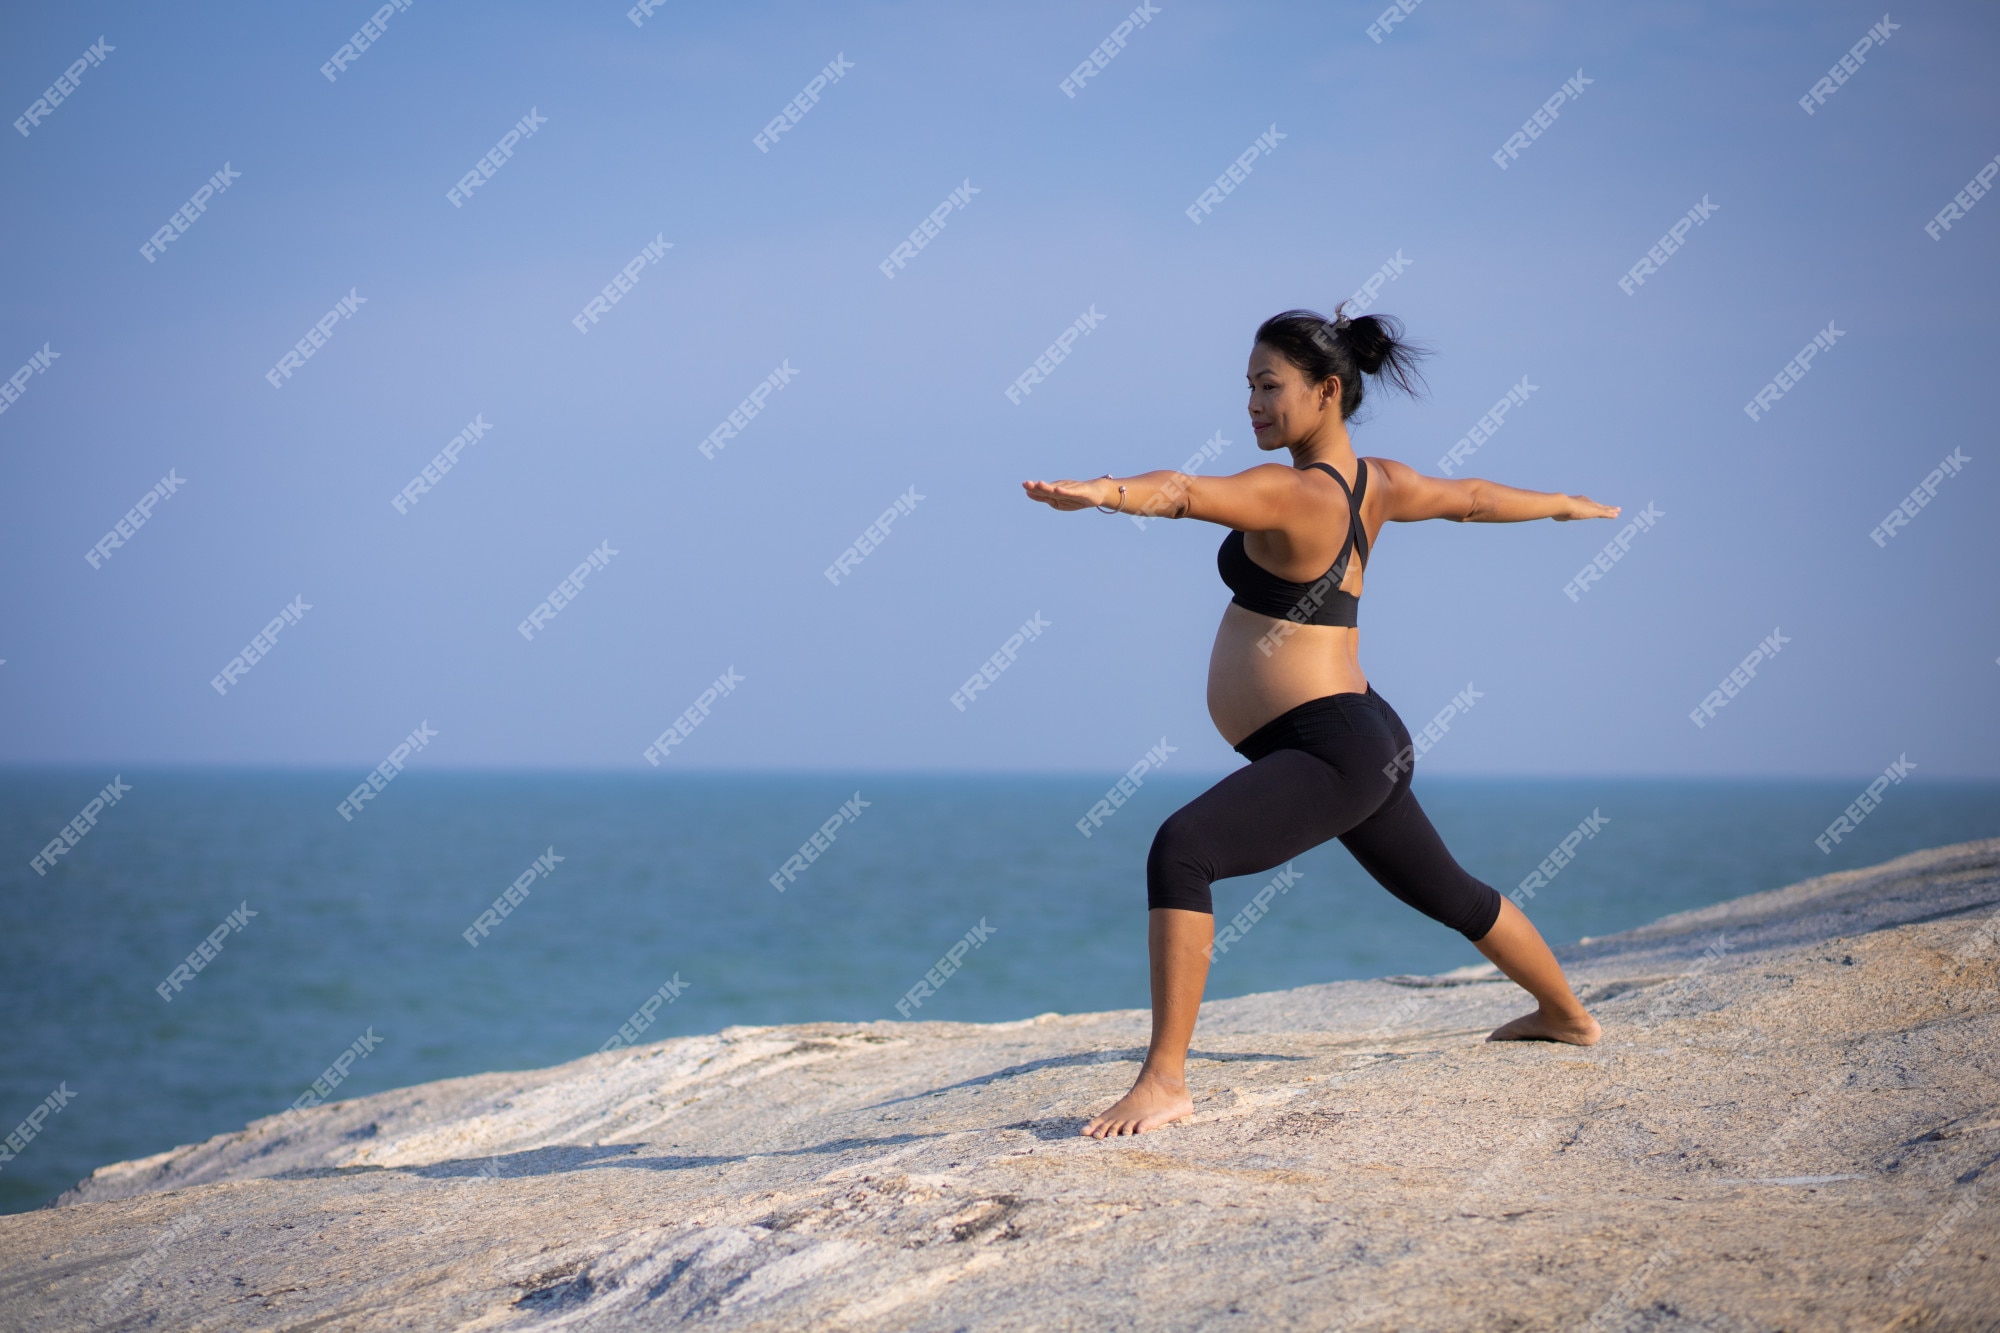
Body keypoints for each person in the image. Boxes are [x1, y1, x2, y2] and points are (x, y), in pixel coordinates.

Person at [1022, 306, 1615, 1139]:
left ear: (1327, 390)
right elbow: (1473, 498)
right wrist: (1559, 503)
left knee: (1181, 850)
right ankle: (1566, 1014)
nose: (1254, 405)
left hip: (1332, 744)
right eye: (1249, 389)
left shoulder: (1292, 492)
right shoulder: (1380, 481)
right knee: (1450, 892)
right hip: (1362, 736)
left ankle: (1163, 1081)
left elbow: (1187, 492)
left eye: (1271, 387)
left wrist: (1105, 494)